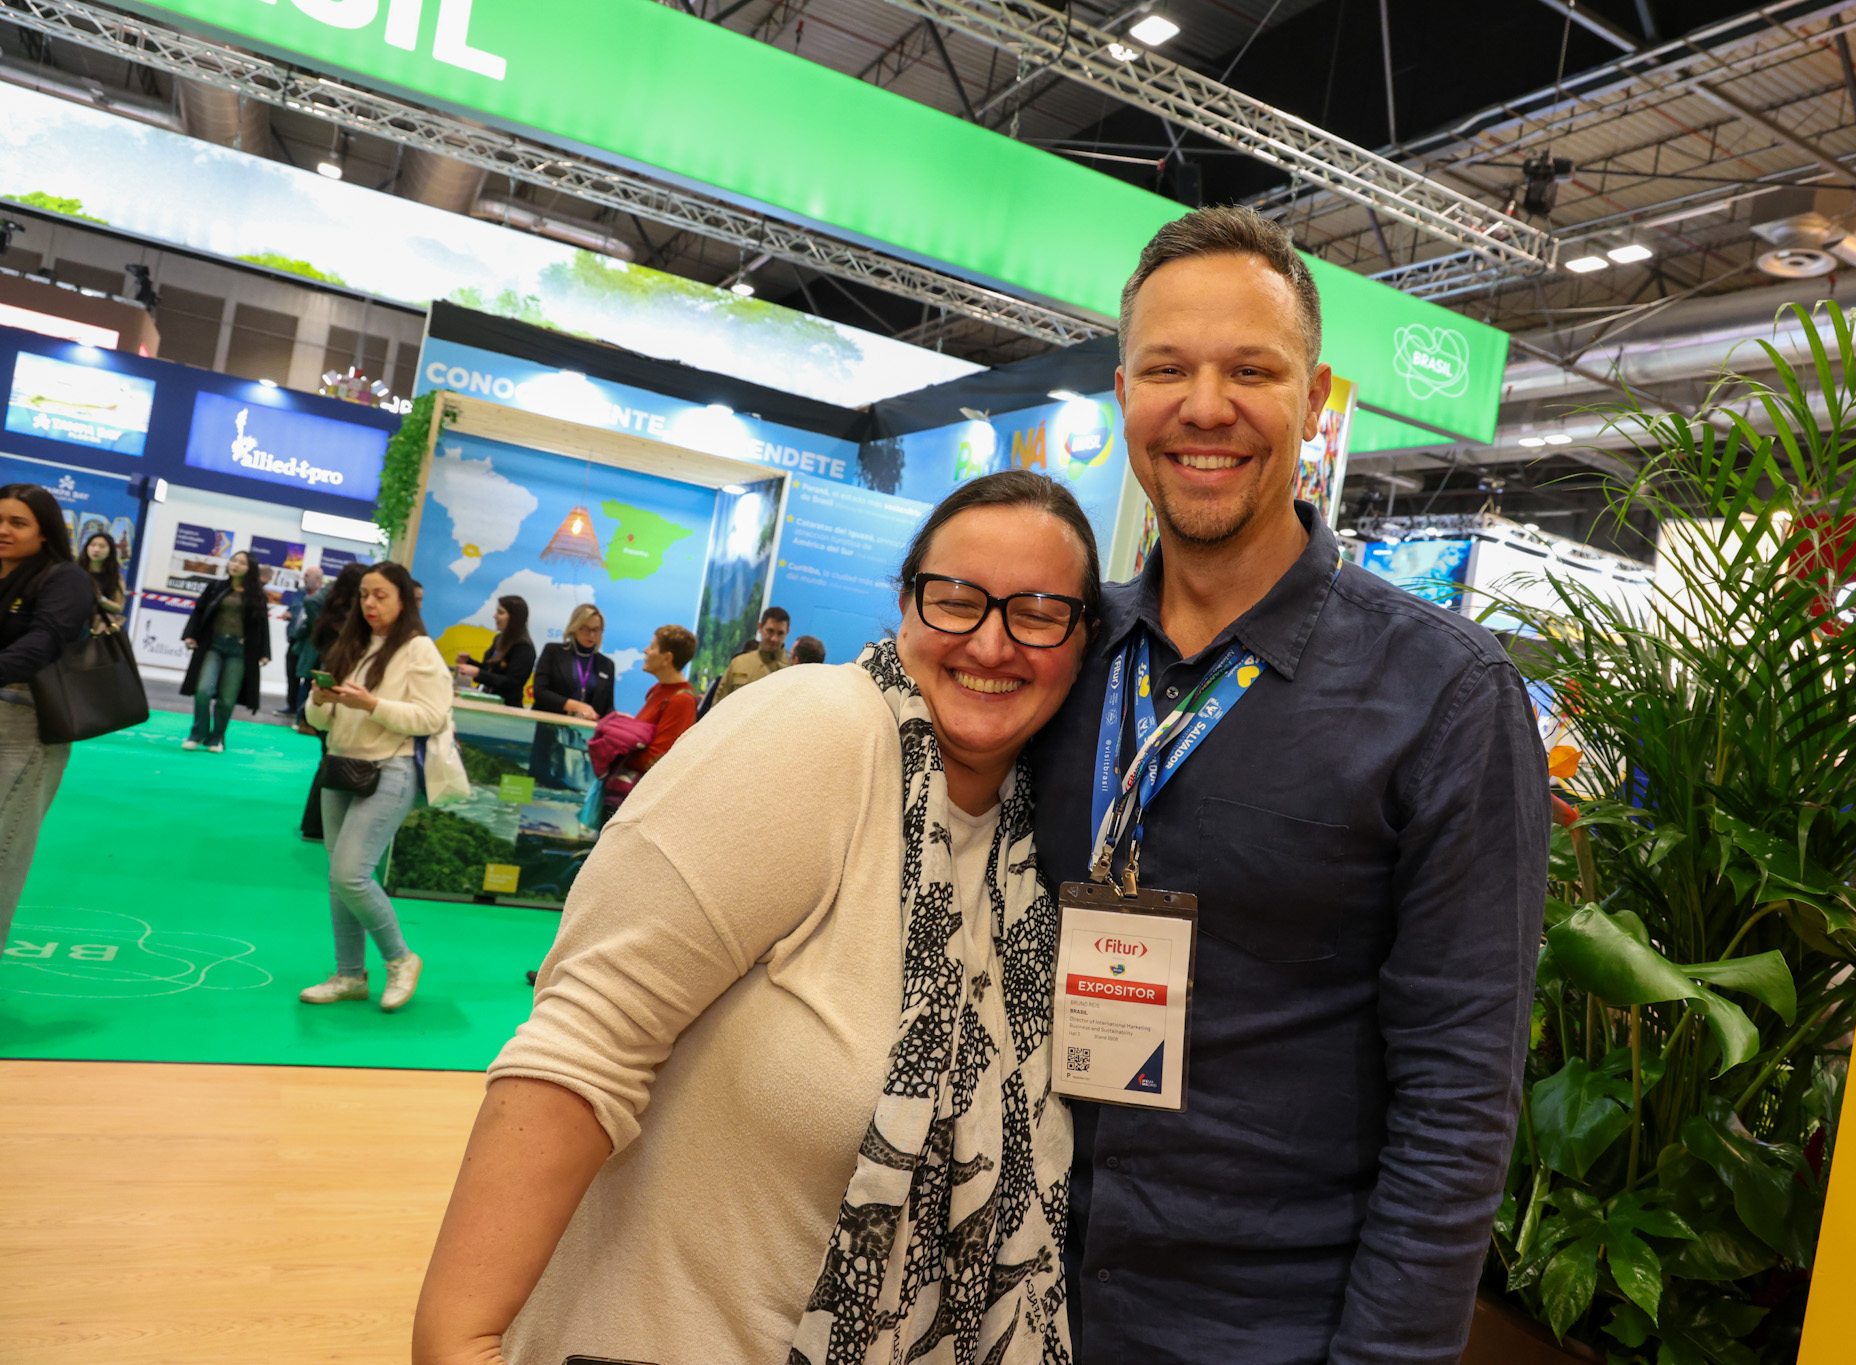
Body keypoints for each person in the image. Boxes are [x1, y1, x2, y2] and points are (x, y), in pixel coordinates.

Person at [413, 471, 1100, 1365]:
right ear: (906, 604)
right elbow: (587, 1036)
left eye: (1040, 613)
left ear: (1084, 641)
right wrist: (460, 1337)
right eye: (957, 599)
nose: (992, 641)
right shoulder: (818, 730)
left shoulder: (1038, 847)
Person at [1028, 207, 1547, 1364]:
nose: (1204, 407)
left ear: (1314, 402)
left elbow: (1458, 1099)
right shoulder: (1060, 656)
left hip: (1266, 1331)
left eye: (1250, 371)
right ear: (1123, 393)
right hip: (1012, 1298)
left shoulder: (1445, 697)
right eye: (1168, 368)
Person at [299, 560, 446, 1013]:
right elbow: (319, 719)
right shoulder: (352, 644)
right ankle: (349, 975)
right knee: (338, 879)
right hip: (340, 767)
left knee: (350, 874)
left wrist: (372, 705)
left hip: (390, 770)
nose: (370, 603)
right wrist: (320, 701)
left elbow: (431, 717)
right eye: (364, 594)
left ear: (403, 600)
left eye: (380, 595)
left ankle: (401, 959)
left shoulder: (419, 650)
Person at [0, 484, 93, 950]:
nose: (3, 530)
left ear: (45, 532)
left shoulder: (65, 578)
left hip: (24, 725)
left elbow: (43, 643)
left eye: (17, 523)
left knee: (3, 851)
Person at [298, 563, 367, 840]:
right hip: (336, 689)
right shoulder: (344, 620)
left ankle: (315, 825)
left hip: (330, 686)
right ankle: (317, 825)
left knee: (328, 758)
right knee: (330, 759)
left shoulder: (330, 613)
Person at [179, 549, 272, 753]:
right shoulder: (216, 587)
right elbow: (199, 611)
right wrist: (189, 635)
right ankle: (197, 733)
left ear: (250, 569)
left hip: (239, 651)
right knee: (203, 690)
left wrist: (265, 652)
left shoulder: (257, 596)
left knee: (227, 699)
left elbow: (263, 625)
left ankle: (216, 737)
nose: (235, 565)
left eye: (242, 563)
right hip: (213, 646)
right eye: (233, 560)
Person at [531, 604, 614, 789]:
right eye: (585, 628)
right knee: (540, 786)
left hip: (585, 739)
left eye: (596, 630)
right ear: (574, 627)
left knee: (575, 793)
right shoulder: (553, 651)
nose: (591, 635)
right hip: (549, 732)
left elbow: (608, 706)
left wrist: (617, 719)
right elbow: (540, 692)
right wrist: (577, 706)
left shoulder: (606, 664)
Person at [624, 623, 697, 772]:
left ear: (667, 658)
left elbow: (657, 759)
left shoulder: (682, 701)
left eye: (652, 647)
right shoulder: (657, 689)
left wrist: (617, 752)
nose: (645, 650)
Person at [458, 594, 535, 708]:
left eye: (500, 612)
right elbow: (489, 670)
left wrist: (478, 673)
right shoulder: (499, 639)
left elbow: (512, 682)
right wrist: (469, 662)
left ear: (514, 617)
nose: (495, 616)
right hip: (486, 702)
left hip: (506, 708)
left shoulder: (524, 647)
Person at [713, 605, 791, 702]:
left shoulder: (791, 670)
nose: (774, 639)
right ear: (760, 627)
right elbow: (718, 704)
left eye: (780, 633)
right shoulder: (739, 663)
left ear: (787, 632)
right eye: (770, 631)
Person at [279, 564, 324, 714]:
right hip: (295, 639)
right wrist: (288, 614)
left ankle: (303, 710)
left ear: (318, 579)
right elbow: (292, 609)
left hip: (312, 643)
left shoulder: (324, 597)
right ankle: (291, 706)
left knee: (308, 676)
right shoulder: (299, 593)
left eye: (307, 576)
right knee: (291, 673)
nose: (303, 578)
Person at [75, 531, 125, 634]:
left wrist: (101, 599)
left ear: (110, 551)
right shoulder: (75, 571)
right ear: (86, 548)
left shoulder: (115, 577)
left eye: (102, 546)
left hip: (96, 627)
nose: (96, 549)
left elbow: (119, 607)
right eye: (93, 545)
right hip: (72, 621)